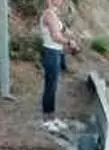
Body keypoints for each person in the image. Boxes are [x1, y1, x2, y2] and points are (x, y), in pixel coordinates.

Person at [40, 0, 78, 133]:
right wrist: (69, 42)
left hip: (55, 52)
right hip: (50, 52)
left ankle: (52, 117)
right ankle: (46, 120)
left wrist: (68, 36)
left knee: (54, 86)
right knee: (50, 86)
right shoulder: (49, 15)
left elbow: (61, 31)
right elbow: (55, 36)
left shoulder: (54, 14)